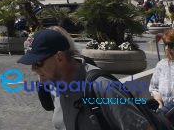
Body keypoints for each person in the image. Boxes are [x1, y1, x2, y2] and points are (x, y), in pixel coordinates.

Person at [18, 29, 157, 130]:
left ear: (59, 58)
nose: (33, 69)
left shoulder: (102, 87)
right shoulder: (57, 87)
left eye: (38, 63)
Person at [151, 29, 174, 119]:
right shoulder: (161, 65)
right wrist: (159, 101)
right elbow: (154, 87)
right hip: (163, 109)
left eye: (171, 45)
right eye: (166, 44)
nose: (167, 48)